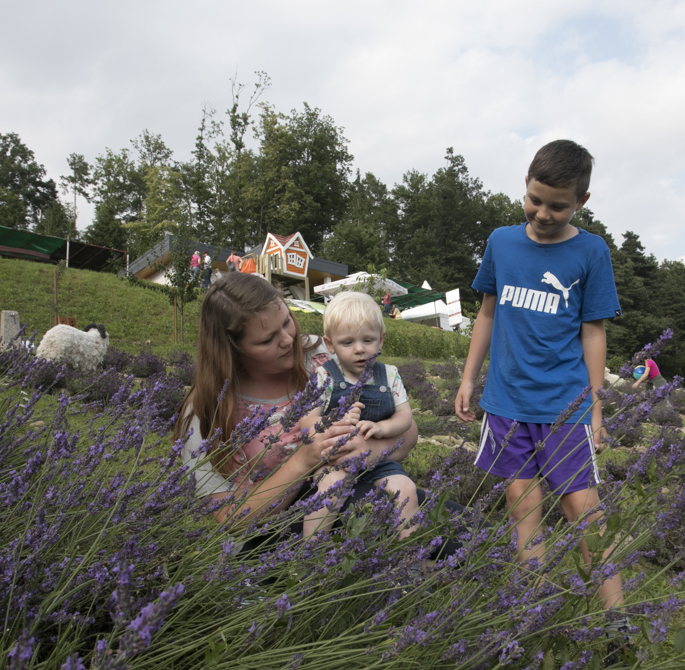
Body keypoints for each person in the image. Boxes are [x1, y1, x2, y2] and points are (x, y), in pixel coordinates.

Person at [454, 139, 623, 611]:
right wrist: (469, 379)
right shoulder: (501, 242)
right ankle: (530, 609)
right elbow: (487, 313)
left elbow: (593, 332)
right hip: (506, 403)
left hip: (565, 406)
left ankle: (618, 621)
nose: (543, 213)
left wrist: (595, 407)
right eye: (535, 200)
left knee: (584, 513)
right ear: (525, 185)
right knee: (522, 507)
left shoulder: (591, 252)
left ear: (581, 201)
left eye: (558, 206)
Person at [175, 273, 419, 528]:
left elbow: (409, 432)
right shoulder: (206, 410)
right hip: (277, 535)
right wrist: (304, 460)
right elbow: (230, 518)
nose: (287, 340)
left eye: (286, 321)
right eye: (267, 339)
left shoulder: (325, 353)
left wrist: (370, 450)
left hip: (364, 491)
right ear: (233, 349)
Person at [304, 292, 419, 540]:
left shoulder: (389, 375)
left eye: (368, 340)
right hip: (335, 461)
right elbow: (307, 421)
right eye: (347, 343)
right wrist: (335, 422)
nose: (359, 349)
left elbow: (405, 417)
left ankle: (411, 554)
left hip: (377, 459)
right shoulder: (324, 376)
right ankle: (309, 550)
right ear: (330, 344)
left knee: (407, 489)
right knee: (330, 489)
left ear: (381, 339)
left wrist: (382, 428)